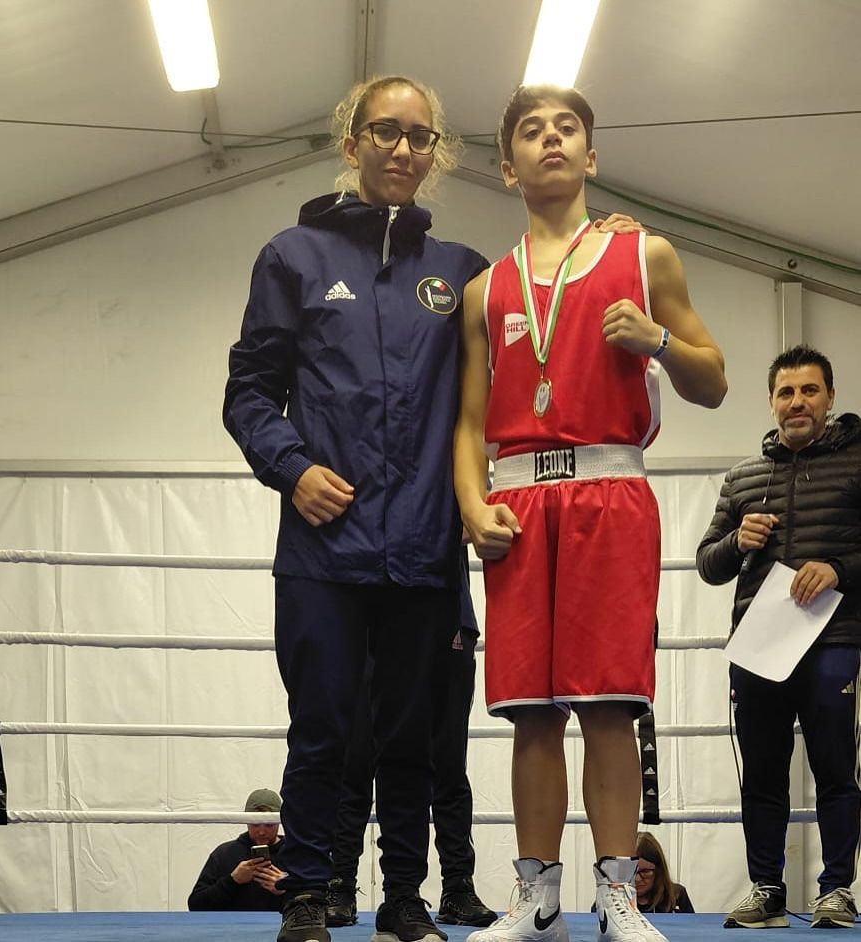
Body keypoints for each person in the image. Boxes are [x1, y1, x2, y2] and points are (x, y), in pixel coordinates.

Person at [453, 84, 727, 942]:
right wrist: (471, 504)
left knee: (609, 707)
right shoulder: (484, 289)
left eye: (567, 128)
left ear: (592, 155)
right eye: (532, 132)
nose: (551, 140)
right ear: (508, 167)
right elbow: (467, 421)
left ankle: (617, 897)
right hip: (519, 503)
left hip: (611, 494)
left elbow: (714, 379)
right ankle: (537, 901)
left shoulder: (646, 256)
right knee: (530, 714)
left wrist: (658, 342)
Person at [223, 75, 489, 942]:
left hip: (424, 545)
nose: (403, 149)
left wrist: (606, 239)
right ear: (352, 143)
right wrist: (293, 468)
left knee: (413, 737)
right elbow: (249, 392)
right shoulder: (292, 256)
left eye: (420, 136)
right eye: (386, 131)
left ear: (435, 152)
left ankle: (403, 898)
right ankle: (307, 894)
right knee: (322, 730)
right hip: (322, 549)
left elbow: (510, 375)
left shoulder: (463, 273)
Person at [697, 344, 861, 931]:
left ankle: (836, 891)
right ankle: (766, 889)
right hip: (760, 645)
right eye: (786, 392)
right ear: (771, 401)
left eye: (809, 390)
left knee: (835, 768)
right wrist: (736, 541)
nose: (797, 402)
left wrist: (838, 568)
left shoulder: (856, 462)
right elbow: (707, 563)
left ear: (830, 397)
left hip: (834, 637)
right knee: (763, 773)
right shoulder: (743, 477)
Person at [327, 558, 496, 929]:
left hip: (447, 612)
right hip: (375, 611)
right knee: (358, 756)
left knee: (448, 759)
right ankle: (340, 883)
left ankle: (457, 886)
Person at [188, 787, 286, 911]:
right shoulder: (224, 854)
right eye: (255, 823)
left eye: (269, 824)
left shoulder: (295, 855)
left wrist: (285, 889)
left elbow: (310, 902)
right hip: (232, 924)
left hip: (284, 923)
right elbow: (195, 905)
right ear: (246, 821)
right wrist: (233, 880)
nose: (261, 831)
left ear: (279, 821)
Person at [633, 832, 694, 914]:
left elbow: (692, 922)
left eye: (645, 871)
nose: (637, 879)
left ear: (659, 871)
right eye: (631, 871)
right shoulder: (615, 900)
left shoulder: (677, 895)